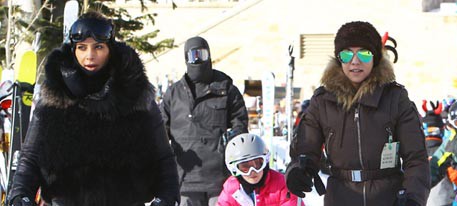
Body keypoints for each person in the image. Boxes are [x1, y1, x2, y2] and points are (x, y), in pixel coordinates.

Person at [7, 11, 179, 206]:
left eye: (98, 47)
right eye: (82, 47)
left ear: (110, 49)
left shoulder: (136, 94)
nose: (90, 55)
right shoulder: (55, 95)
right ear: (73, 50)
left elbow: (163, 157)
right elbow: (31, 157)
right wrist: (20, 194)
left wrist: (166, 198)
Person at [285, 21, 430, 206]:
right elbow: (305, 149)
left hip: (388, 198)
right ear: (339, 59)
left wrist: (413, 197)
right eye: (346, 54)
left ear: (375, 57)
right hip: (340, 196)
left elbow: (416, 158)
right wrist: (298, 170)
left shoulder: (395, 98)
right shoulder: (323, 101)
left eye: (364, 53)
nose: (355, 61)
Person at [161, 36, 248, 206]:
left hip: (219, 177)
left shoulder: (225, 88)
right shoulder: (174, 93)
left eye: (202, 54)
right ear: (186, 58)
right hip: (184, 175)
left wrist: (234, 136)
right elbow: (160, 129)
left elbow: (240, 120)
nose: (198, 60)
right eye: (194, 55)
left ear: (209, 55)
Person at [217, 133, 302, 206]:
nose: (252, 171)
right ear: (235, 169)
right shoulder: (231, 189)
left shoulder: (282, 185)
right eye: (245, 167)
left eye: (257, 164)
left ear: (266, 162)